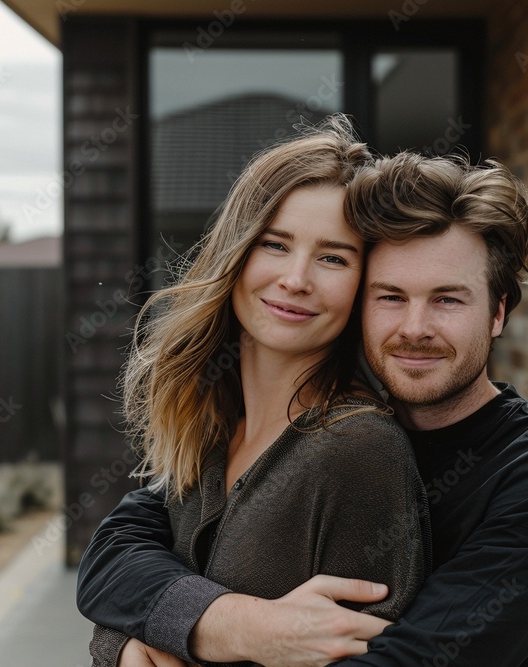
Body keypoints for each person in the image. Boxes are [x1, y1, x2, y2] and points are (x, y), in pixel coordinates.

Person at [77, 151, 528, 666]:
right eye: (391, 296)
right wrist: (214, 629)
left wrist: (169, 636)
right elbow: (114, 559)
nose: (415, 328)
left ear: (497, 312)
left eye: (448, 299)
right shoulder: (245, 429)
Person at [78, 116, 431, 667]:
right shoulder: (211, 426)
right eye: (275, 243)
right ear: (236, 252)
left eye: (334, 257)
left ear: (363, 285)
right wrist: (127, 648)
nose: (296, 278)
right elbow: (122, 593)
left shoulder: (358, 450)